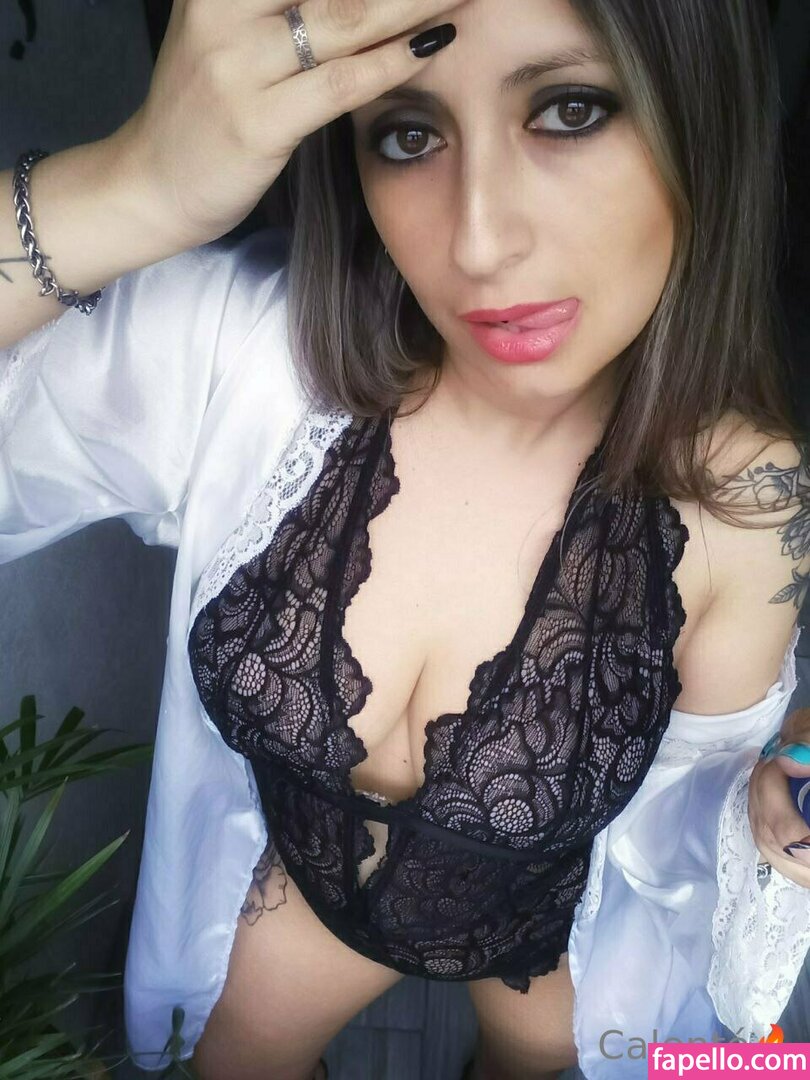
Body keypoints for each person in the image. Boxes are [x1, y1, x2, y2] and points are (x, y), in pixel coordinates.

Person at [2, 1, 810, 1078]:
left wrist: (775, 799)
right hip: (307, 907)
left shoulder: (750, 498)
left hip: (542, 951)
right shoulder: (250, 358)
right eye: (409, 133)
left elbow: (691, 818)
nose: (478, 242)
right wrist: (134, 185)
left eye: (570, 110)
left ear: (698, 113)